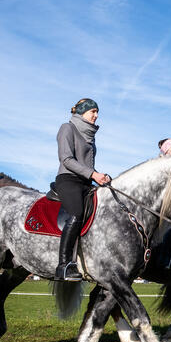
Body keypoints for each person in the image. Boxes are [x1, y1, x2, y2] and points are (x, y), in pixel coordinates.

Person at [54, 98, 111, 281]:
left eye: (97, 112)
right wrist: (94, 174)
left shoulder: (90, 135)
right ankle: (64, 266)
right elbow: (66, 159)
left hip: (85, 183)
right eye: (93, 111)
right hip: (68, 180)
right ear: (81, 112)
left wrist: (101, 178)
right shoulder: (67, 128)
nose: (96, 116)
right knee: (76, 214)